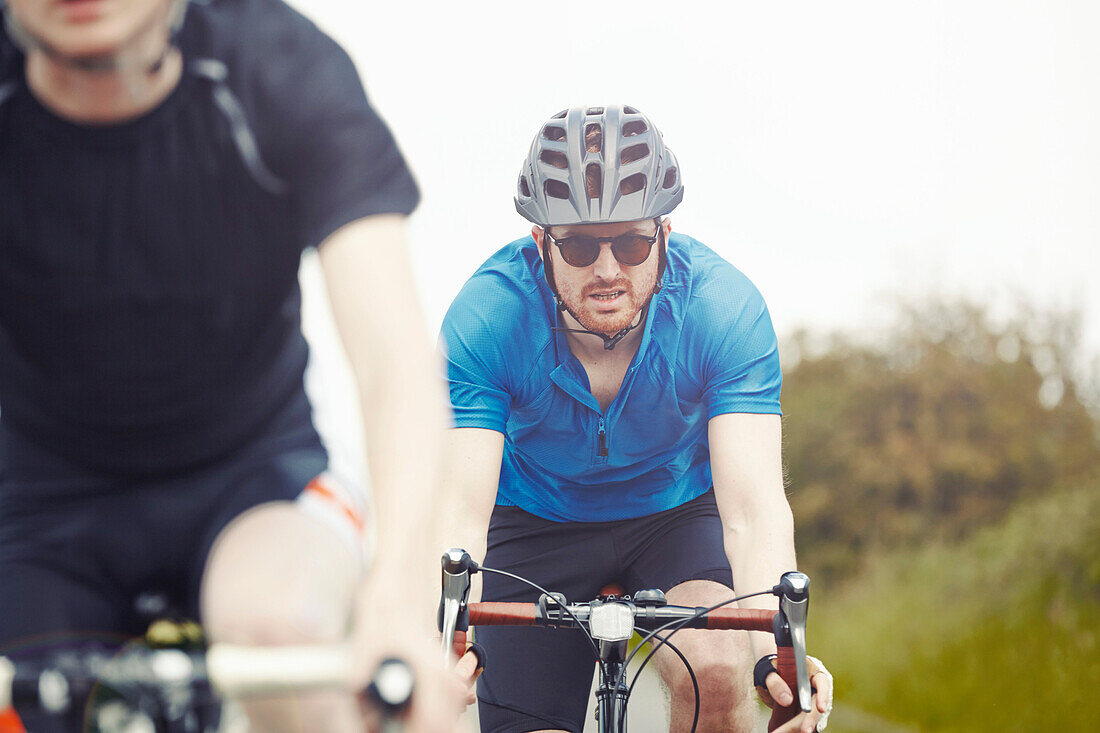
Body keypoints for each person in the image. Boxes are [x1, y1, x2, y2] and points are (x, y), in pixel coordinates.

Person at [0, 0, 472, 730]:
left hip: (253, 479)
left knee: (281, 629)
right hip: (39, 505)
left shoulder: (276, 68)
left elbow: (396, 364)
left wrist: (396, 605)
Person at [439, 105, 833, 733]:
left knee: (722, 673)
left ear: (665, 233)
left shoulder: (722, 311)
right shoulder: (488, 317)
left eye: (631, 242)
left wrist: (777, 656)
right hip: (533, 521)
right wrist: (440, 639)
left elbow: (755, 514)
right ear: (540, 242)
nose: (606, 269)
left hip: (673, 515)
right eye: (576, 244)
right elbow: (458, 514)